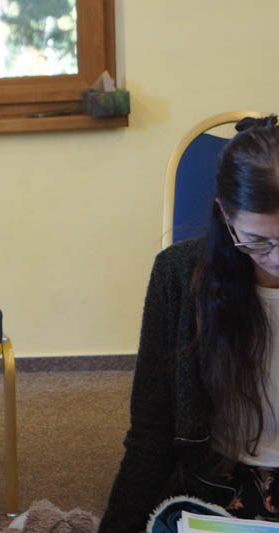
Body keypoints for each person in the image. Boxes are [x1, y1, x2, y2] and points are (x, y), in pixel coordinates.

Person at [100, 115, 279, 532]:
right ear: (225, 214)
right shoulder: (180, 276)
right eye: (258, 242)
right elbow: (152, 430)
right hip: (222, 482)